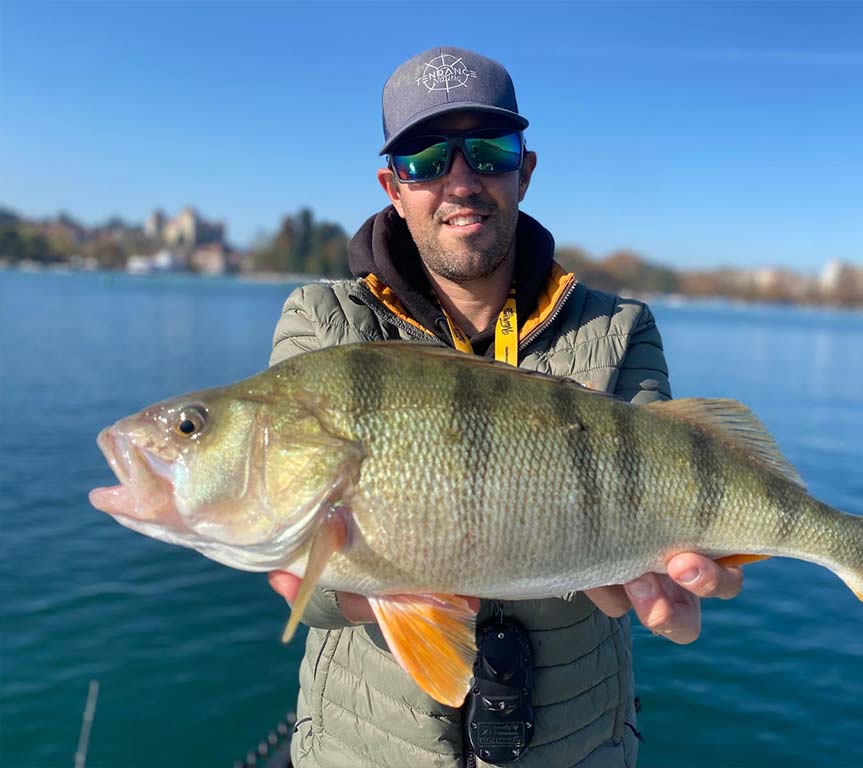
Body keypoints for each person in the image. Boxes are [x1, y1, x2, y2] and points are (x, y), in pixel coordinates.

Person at [266, 46, 743, 767]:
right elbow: (304, 572)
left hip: (579, 747)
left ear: (525, 171)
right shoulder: (326, 325)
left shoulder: (620, 330)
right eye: (428, 158)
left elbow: (669, 506)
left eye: (489, 152)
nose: (461, 181)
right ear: (393, 185)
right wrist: (367, 596)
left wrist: (699, 568)